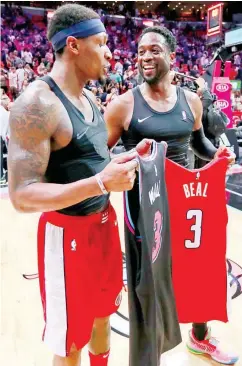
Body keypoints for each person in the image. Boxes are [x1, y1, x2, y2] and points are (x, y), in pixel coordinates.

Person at [7, 4, 147, 366]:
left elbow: (88, 163)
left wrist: (120, 161)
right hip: (65, 235)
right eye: (101, 43)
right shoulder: (36, 104)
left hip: (103, 227)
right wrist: (101, 182)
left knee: (103, 319)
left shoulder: (88, 98)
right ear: (73, 45)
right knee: (71, 342)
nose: (110, 53)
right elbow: (21, 196)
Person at [104, 26, 238, 365]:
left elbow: (198, 144)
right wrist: (128, 161)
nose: (145, 57)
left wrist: (219, 156)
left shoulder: (189, 100)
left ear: (172, 57)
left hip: (186, 199)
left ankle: (200, 337)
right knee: (148, 285)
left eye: (153, 50)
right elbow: (99, 159)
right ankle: (148, 356)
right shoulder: (123, 105)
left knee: (199, 270)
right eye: (140, 52)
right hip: (145, 209)